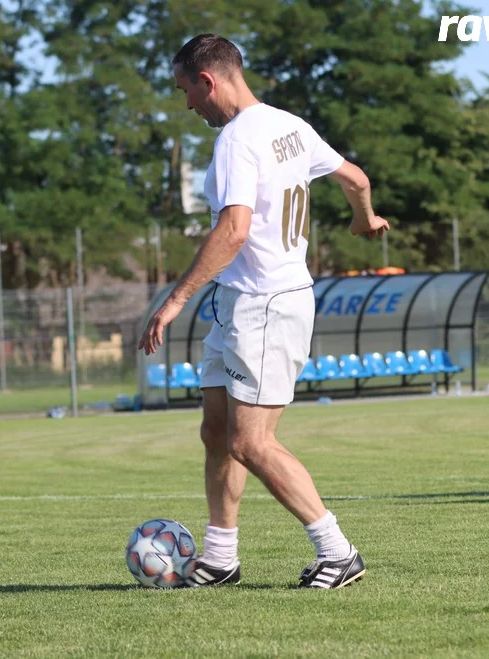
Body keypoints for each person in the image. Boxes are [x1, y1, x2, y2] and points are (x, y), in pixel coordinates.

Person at [138, 34, 389, 588]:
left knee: (251, 442)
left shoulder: (237, 138)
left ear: (208, 81)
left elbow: (234, 229)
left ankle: (338, 551)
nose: (187, 105)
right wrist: (364, 218)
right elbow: (356, 178)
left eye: (186, 92)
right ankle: (220, 557)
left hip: (265, 305)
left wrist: (174, 300)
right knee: (216, 428)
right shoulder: (289, 125)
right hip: (239, 302)